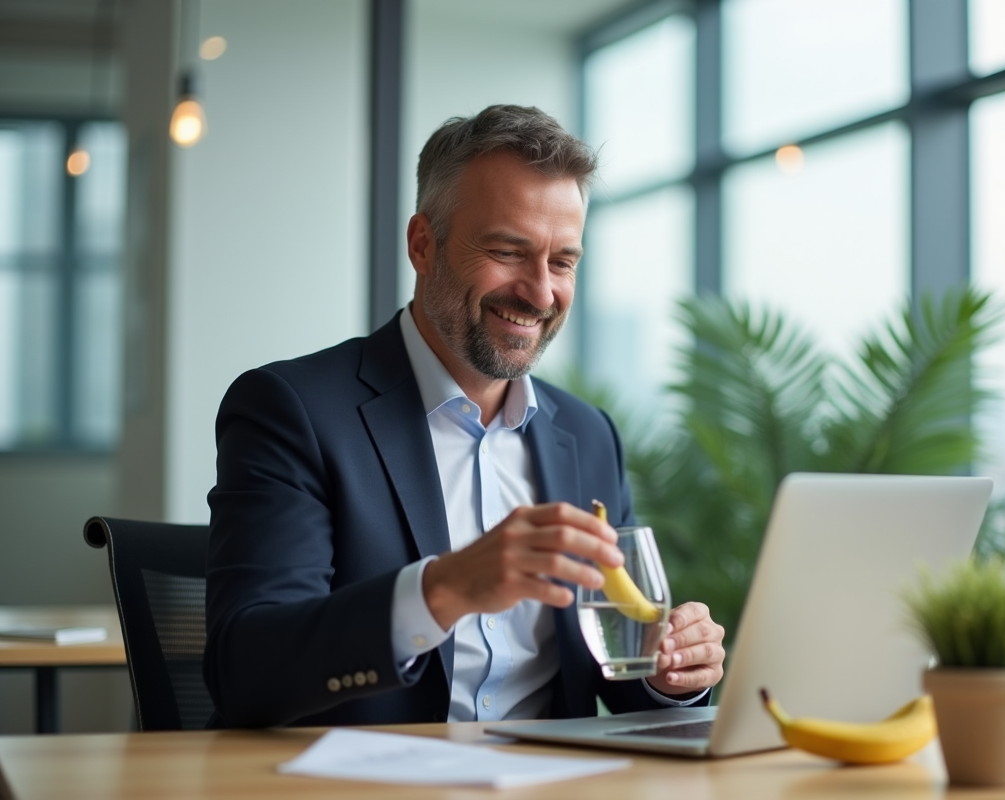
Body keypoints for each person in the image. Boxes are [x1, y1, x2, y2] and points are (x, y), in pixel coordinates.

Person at [203, 105, 726, 728]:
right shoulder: (292, 411)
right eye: (508, 251)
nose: (539, 292)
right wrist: (445, 590)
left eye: (562, 262)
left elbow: (623, 678)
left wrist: (673, 674)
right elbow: (246, 671)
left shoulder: (588, 436)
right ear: (423, 245)